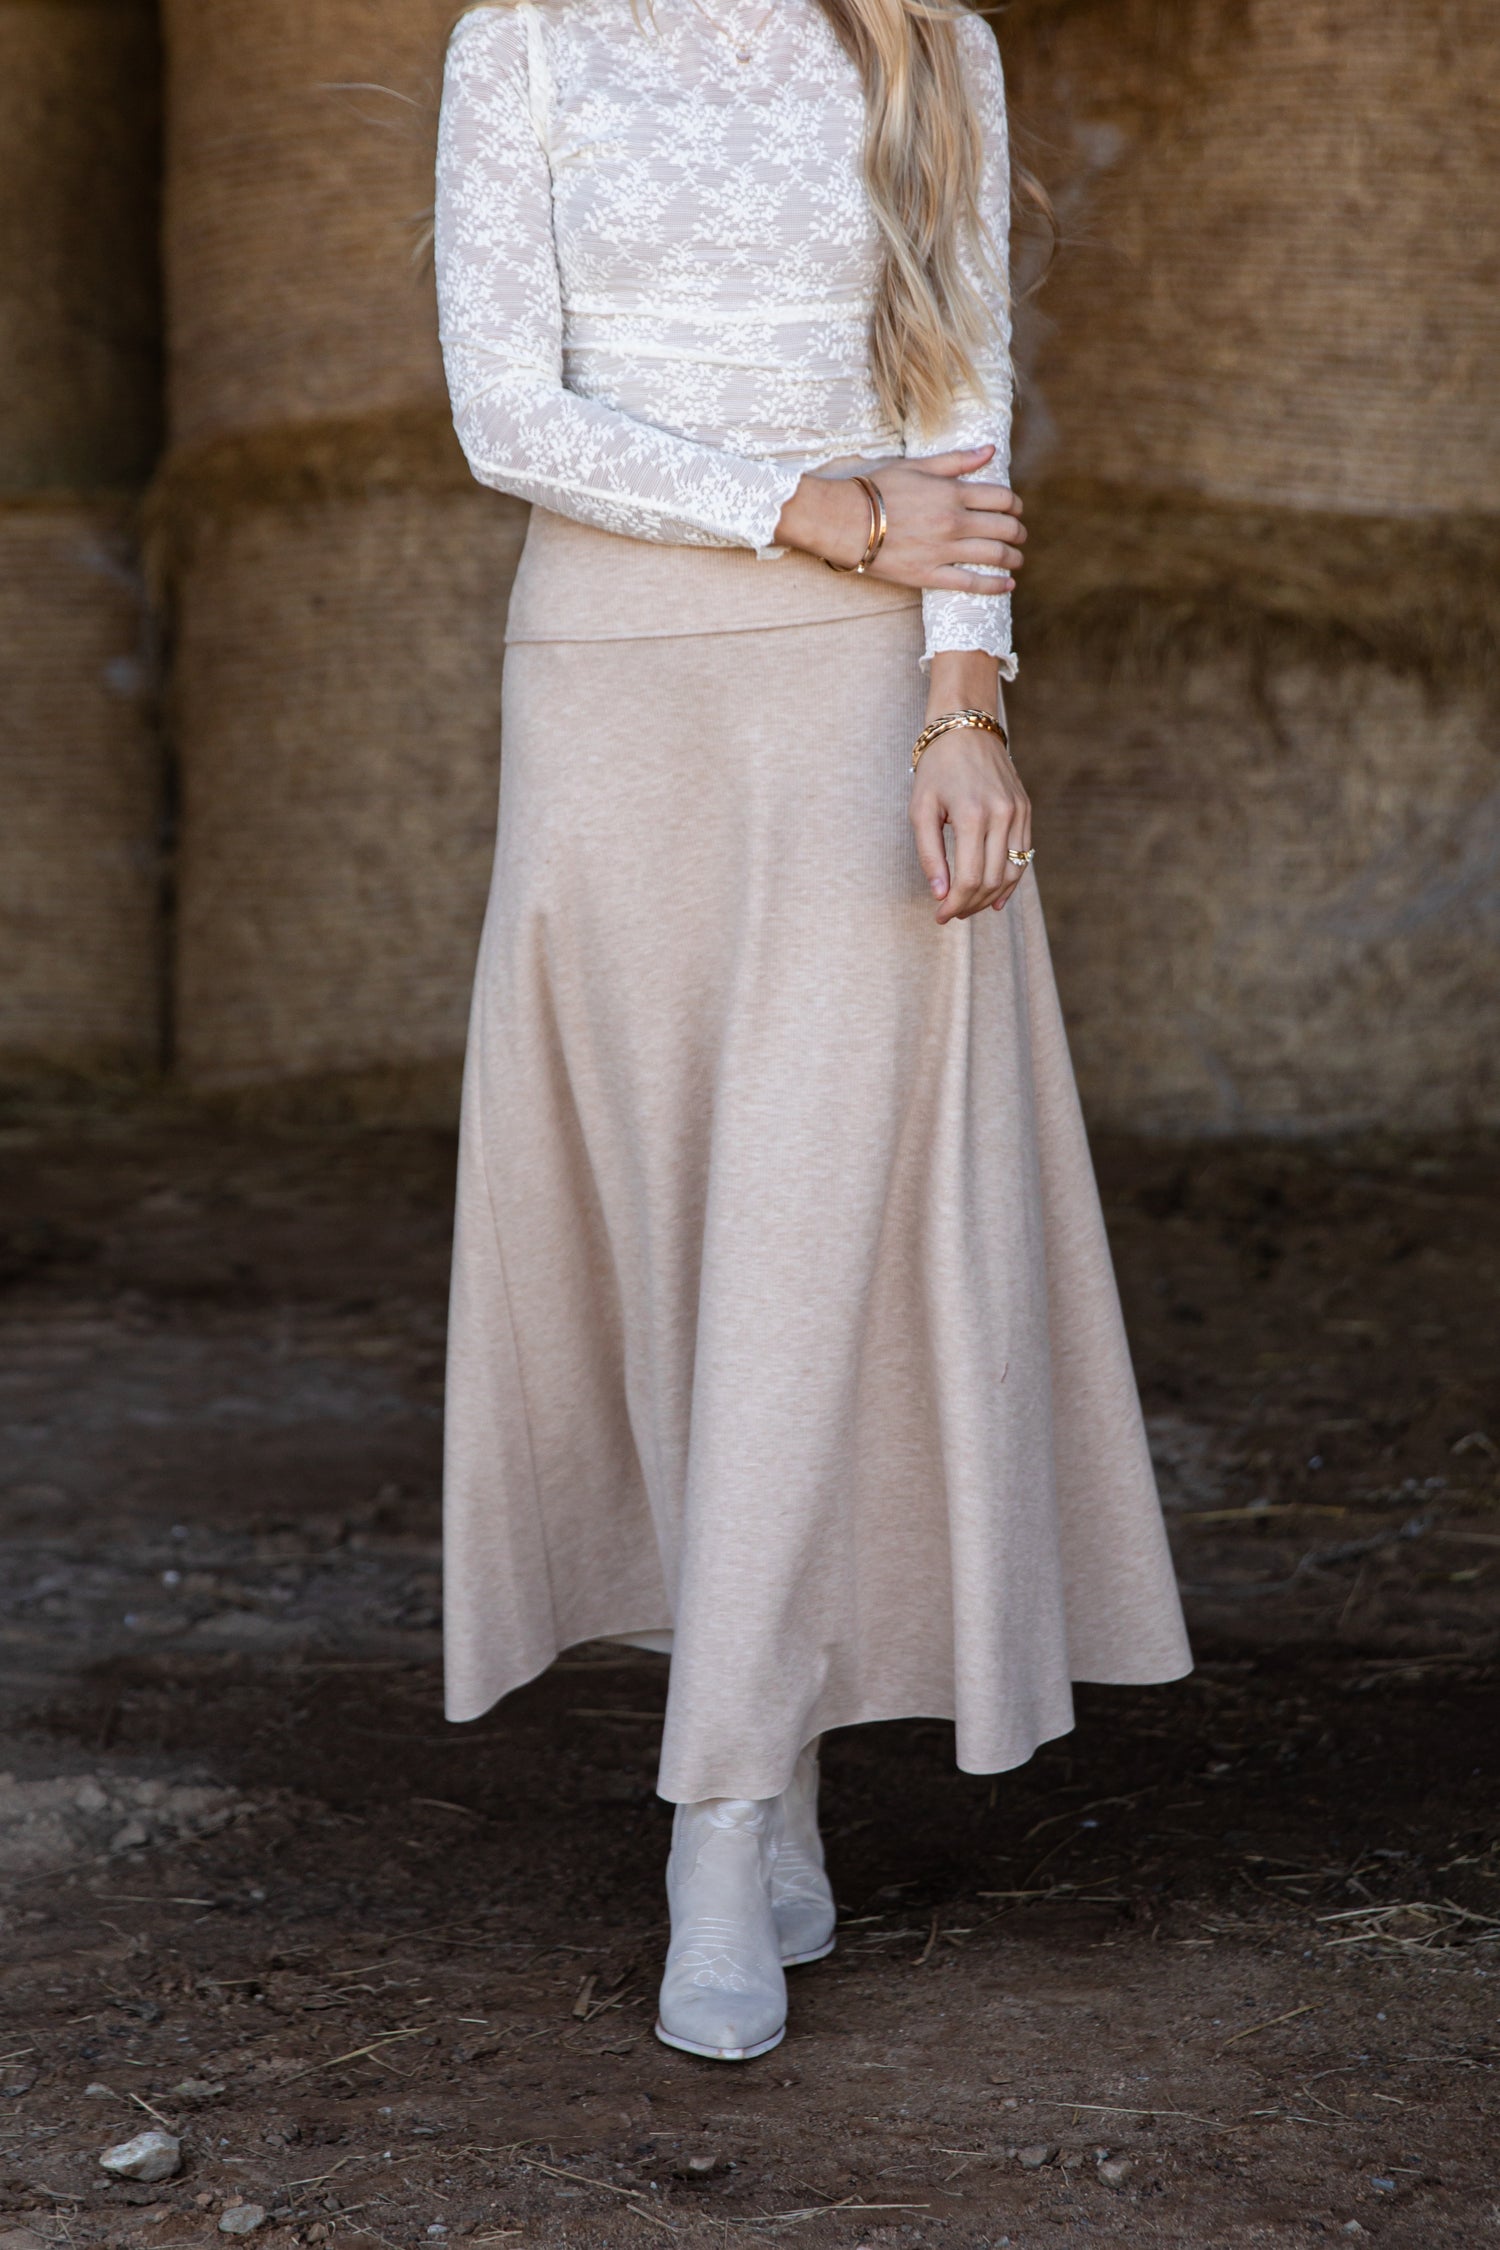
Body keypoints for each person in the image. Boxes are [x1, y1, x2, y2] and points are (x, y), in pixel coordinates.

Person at [434, 0, 1191, 2063]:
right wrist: (820, 511)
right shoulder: (524, 41)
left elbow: (959, 394)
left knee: (808, 1235)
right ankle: (759, 1754)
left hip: (861, 694)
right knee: (670, 1222)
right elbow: (509, 413)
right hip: (614, 687)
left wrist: (965, 702)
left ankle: (719, 1814)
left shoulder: (926, 38)